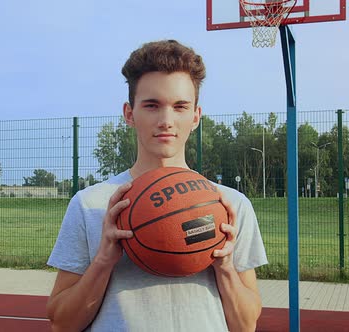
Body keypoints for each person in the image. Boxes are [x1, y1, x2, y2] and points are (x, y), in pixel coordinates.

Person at [46, 39, 268, 332]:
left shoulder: (229, 205)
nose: (166, 120)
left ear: (196, 116)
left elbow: (246, 325)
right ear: (129, 113)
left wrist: (224, 267)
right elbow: (62, 324)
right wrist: (103, 261)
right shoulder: (91, 204)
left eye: (180, 107)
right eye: (152, 105)